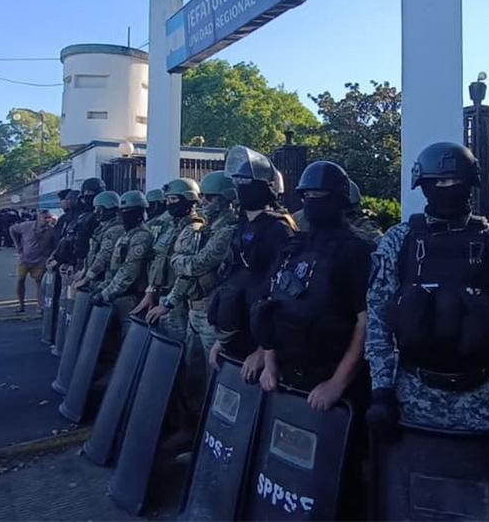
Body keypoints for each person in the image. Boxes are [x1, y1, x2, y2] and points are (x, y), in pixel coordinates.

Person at [366, 142, 489, 443]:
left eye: (455, 181)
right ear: (423, 186)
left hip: (487, 400)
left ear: (470, 183)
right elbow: (378, 319)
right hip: (414, 400)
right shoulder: (399, 240)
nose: (447, 188)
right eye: (439, 182)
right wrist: (382, 391)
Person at [252, 161, 372, 405]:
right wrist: (269, 362)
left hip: (331, 381)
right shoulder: (293, 247)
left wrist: (337, 382)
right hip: (284, 376)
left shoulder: (357, 251)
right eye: (306, 195)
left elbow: (366, 322)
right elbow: (269, 305)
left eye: (319, 196)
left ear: (339, 200)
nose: (311, 201)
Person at [147, 171, 238, 428]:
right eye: (204, 198)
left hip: (212, 314)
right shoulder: (205, 230)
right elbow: (185, 272)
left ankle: (212, 431)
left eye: (211, 198)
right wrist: (169, 301)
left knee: (214, 378)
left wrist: (179, 263)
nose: (204, 203)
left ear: (226, 199)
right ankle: (193, 427)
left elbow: (197, 264)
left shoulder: (228, 230)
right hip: (194, 309)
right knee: (192, 372)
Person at [205, 147, 295, 380]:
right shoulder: (243, 226)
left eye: (247, 181)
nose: (241, 186)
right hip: (237, 335)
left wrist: (263, 352)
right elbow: (234, 278)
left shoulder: (280, 229)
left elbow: (280, 294)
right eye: (239, 181)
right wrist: (222, 341)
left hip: (259, 348)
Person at [134, 178, 202, 340]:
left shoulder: (194, 228)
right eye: (168, 199)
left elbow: (186, 272)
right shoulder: (169, 226)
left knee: (173, 345)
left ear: (188, 199)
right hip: (162, 294)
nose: (169, 204)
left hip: (178, 300)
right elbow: (159, 261)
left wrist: (169, 302)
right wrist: (151, 291)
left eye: (174, 199)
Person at [91, 191, 154, 337]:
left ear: (140, 212)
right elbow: (114, 268)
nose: (124, 214)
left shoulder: (141, 236)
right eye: (122, 211)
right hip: (118, 295)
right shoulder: (127, 235)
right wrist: (103, 287)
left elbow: (128, 272)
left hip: (131, 297)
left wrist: (105, 294)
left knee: (129, 339)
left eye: (128, 211)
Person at [73, 190, 123, 291]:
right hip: (95, 279)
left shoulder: (115, 230)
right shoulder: (101, 228)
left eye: (98, 209)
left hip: (105, 281)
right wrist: (84, 271)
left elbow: (103, 257)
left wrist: (86, 279)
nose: (95, 212)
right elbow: (92, 254)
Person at [10, 210, 57, 314]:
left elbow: (56, 245)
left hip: (40, 260)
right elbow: (12, 229)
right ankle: (21, 306)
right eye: (45, 218)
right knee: (20, 280)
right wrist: (18, 246)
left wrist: (50, 256)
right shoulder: (26, 226)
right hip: (24, 259)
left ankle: (40, 306)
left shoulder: (51, 230)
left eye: (49, 218)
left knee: (40, 283)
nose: (47, 220)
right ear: (39, 218)